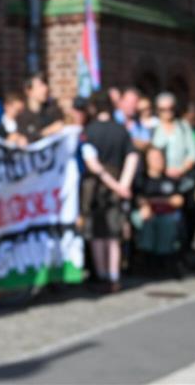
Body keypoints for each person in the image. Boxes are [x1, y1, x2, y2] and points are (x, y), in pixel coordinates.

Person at [80, 91, 139, 292]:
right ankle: (114, 276)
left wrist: (114, 184)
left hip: (96, 189)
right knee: (113, 234)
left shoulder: (89, 131)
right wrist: (123, 184)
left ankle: (102, 275)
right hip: (116, 185)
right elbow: (132, 156)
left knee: (98, 234)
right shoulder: (121, 130)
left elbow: (93, 164)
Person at [130, 148, 185, 274]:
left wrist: (154, 201)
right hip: (147, 213)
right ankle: (145, 257)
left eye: (160, 158)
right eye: (154, 159)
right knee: (146, 219)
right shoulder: (142, 180)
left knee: (167, 221)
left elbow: (178, 200)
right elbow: (140, 200)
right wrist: (165, 201)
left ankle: (164, 259)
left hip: (167, 214)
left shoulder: (169, 179)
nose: (158, 161)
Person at [151, 92, 195, 186]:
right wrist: (163, 169)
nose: (167, 112)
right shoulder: (153, 128)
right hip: (160, 179)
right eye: (163, 109)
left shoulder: (183, 126)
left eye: (170, 108)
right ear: (157, 110)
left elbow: (193, 153)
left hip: (183, 178)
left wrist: (181, 170)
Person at [16, 72, 65, 142]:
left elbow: (63, 125)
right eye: (40, 86)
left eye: (45, 84)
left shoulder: (51, 109)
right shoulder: (22, 117)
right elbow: (24, 139)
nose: (45, 88)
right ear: (29, 91)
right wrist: (47, 131)